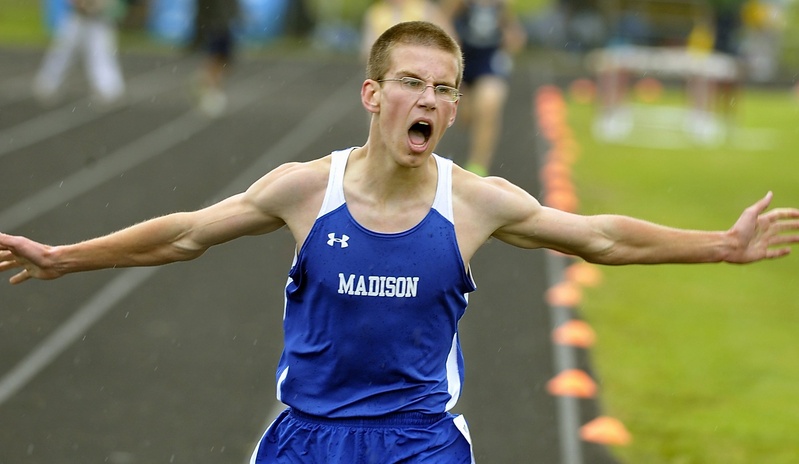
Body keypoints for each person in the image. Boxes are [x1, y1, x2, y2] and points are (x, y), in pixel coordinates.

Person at [2, 21, 799, 463]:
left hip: (420, 441)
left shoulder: (475, 202)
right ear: (372, 95)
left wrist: (719, 246)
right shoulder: (303, 189)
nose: (430, 98)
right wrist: (64, 256)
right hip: (304, 438)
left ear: (452, 109)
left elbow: (598, 237)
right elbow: (181, 237)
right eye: (413, 82)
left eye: (444, 88)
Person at [441, 0, 526, 176]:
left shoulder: (502, 4)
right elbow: (443, 18)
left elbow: (513, 30)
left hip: (488, 61)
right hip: (462, 58)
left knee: (489, 105)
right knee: (466, 116)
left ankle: (478, 167)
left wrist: (513, 38)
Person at [32, 0, 127, 106]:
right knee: (62, 54)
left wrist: (94, 6)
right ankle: (48, 85)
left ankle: (108, 90)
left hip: (99, 20)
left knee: (101, 56)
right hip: (77, 17)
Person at [189, 0, 241, 117]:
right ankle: (210, 90)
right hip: (217, 27)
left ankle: (202, 81)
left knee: (225, 64)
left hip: (223, 26)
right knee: (216, 60)